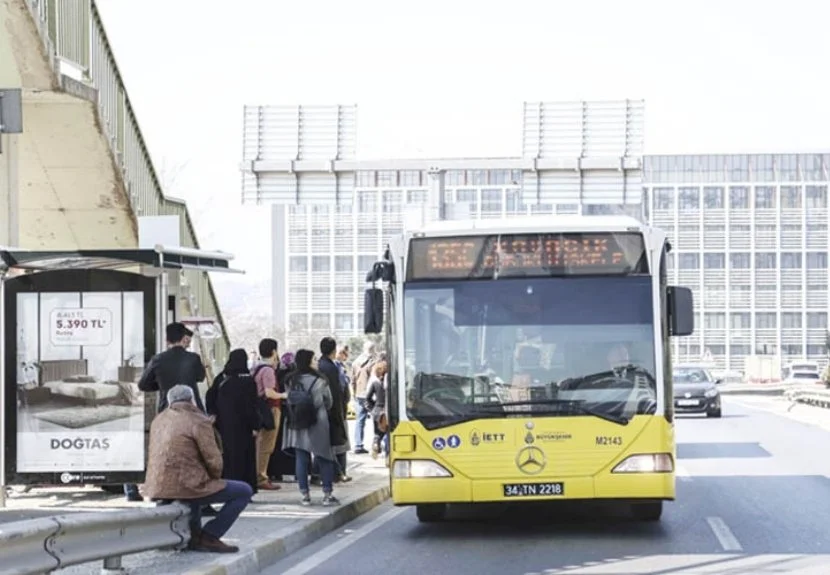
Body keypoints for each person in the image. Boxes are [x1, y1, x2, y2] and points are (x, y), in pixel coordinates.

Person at [142, 385, 253, 553]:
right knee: (243, 491)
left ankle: (192, 537)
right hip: (188, 485)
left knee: (192, 493)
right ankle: (210, 536)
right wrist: (214, 478)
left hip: (157, 486)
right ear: (192, 400)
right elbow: (213, 459)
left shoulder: (159, 420)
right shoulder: (198, 420)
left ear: (170, 401)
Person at [128, 322, 207, 503]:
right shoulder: (193, 358)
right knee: (195, 454)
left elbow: (143, 385)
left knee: (168, 454)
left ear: (166, 339)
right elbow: (200, 377)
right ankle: (198, 497)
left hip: (167, 411)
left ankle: (166, 495)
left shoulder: (157, 360)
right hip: (193, 411)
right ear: (183, 338)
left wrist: (162, 385)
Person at [282, 349, 340, 506]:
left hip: (298, 421)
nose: (316, 362)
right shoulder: (321, 380)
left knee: (301, 457)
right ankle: (327, 494)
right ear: (308, 361)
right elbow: (329, 402)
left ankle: (305, 495)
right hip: (318, 420)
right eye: (314, 359)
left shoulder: (290, 380)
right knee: (323, 456)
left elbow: (289, 400)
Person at [206, 349, 260, 493]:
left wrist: (213, 413)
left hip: (224, 424)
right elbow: (251, 406)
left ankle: (226, 486)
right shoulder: (247, 380)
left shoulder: (222, 377)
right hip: (243, 426)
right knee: (244, 457)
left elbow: (210, 395)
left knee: (227, 455)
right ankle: (244, 488)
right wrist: (255, 425)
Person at [250, 338, 286, 490]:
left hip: (258, 409)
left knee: (259, 444)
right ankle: (261, 478)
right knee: (266, 445)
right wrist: (284, 395)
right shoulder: (268, 370)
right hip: (270, 410)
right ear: (274, 352)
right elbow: (269, 392)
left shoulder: (255, 368)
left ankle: (257, 475)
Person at [318, 337, 351, 482]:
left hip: (322, 410)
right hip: (334, 410)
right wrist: (339, 412)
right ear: (333, 350)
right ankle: (338, 473)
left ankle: (328, 473)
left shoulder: (319, 364)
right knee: (338, 444)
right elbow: (336, 392)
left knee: (325, 445)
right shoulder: (332, 368)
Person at [268, 352, 296, 482]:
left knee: (276, 443)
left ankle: (275, 472)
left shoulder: (277, 374)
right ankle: (293, 471)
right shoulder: (294, 376)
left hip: (278, 410)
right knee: (292, 444)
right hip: (289, 412)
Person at [350, 341, 376, 455]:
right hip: (371, 394)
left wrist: (354, 393)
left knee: (360, 420)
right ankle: (377, 444)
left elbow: (352, 380)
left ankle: (358, 444)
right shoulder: (373, 362)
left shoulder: (356, 362)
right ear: (373, 349)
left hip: (359, 394)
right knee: (377, 419)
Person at [365, 360, 389, 459]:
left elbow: (367, 398)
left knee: (377, 432)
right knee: (388, 433)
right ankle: (388, 454)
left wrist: (373, 407)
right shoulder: (391, 383)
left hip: (377, 410)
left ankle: (376, 444)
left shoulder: (375, 383)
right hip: (387, 410)